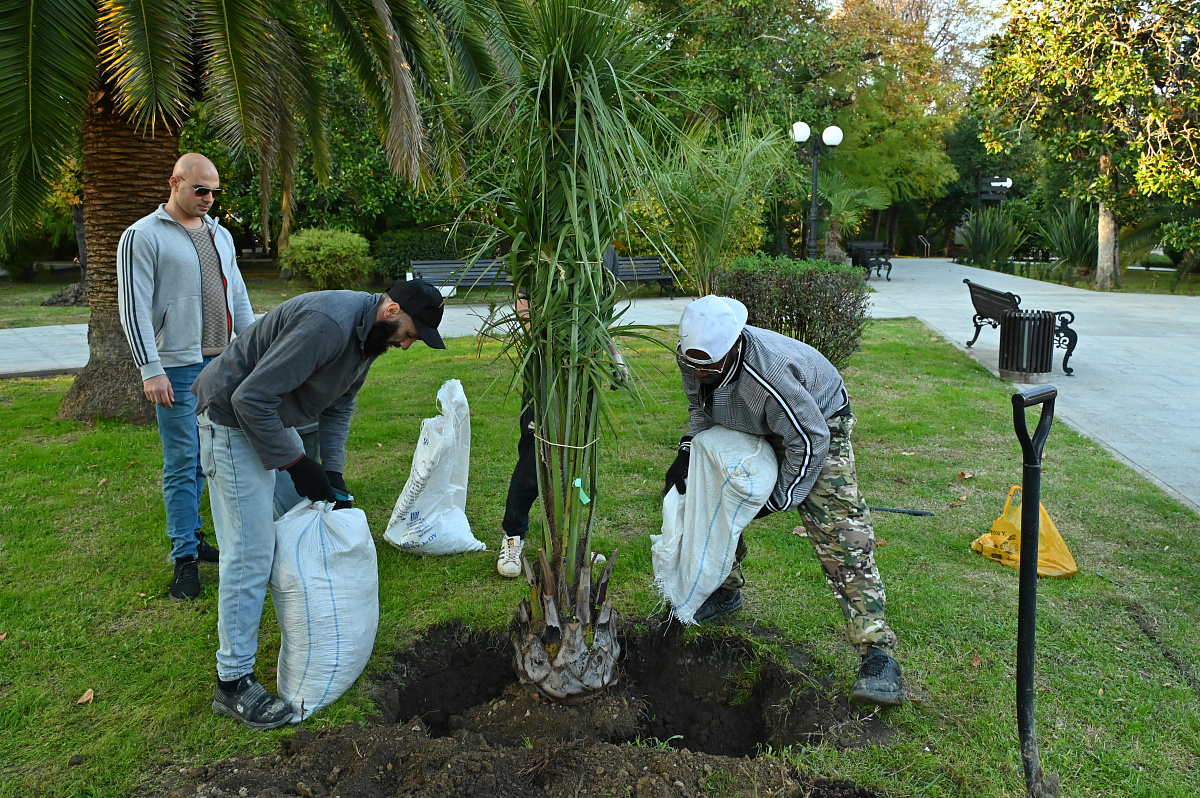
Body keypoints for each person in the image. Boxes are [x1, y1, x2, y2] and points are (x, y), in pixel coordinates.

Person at [191, 279, 446, 729]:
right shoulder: (327, 324)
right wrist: (295, 463)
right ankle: (231, 683)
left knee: (298, 525)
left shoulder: (367, 342)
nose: (407, 346)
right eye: (410, 334)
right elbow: (248, 398)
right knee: (250, 553)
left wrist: (332, 473)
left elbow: (339, 408)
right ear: (391, 310)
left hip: (270, 417)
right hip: (230, 419)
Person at [663, 294, 905, 707]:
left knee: (839, 531)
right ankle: (723, 589)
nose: (700, 373)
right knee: (712, 495)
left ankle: (877, 654)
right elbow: (701, 409)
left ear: (734, 346)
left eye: (710, 367)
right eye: (694, 365)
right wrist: (689, 452)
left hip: (817, 424)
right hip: (750, 421)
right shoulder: (696, 360)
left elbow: (810, 440)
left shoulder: (768, 372)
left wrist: (781, 497)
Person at [116, 153, 255, 602]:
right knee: (183, 461)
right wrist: (150, 369)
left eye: (214, 191)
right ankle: (185, 560)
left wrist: (255, 349)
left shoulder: (221, 234)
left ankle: (197, 540)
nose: (209, 198)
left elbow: (239, 294)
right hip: (175, 367)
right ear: (174, 183)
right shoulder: (141, 236)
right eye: (200, 190)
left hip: (226, 363)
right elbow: (132, 307)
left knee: (218, 456)